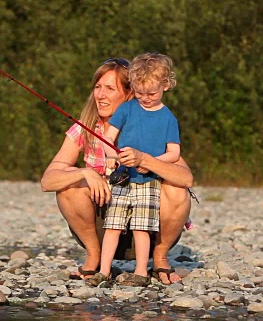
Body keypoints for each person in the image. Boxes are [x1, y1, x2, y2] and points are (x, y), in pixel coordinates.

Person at [40, 57, 193, 285]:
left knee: (177, 189)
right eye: (97, 87)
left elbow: (186, 178)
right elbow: (48, 181)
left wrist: (146, 160)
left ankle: (160, 258)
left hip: (146, 222)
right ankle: (95, 257)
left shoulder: (152, 124)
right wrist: (85, 173)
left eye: (110, 88)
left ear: (130, 93)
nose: (100, 95)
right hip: (106, 224)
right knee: (68, 186)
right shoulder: (85, 127)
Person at [93, 53, 181, 286]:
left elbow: (174, 153)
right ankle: (103, 270)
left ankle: (141, 272)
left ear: (166, 85)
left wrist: (150, 162)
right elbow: (107, 137)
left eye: (151, 93)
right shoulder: (127, 109)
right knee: (113, 225)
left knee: (142, 228)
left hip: (149, 180)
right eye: (140, 92)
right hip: (122, 178)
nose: (145, 98)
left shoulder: (168, 118)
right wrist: (111, 155)